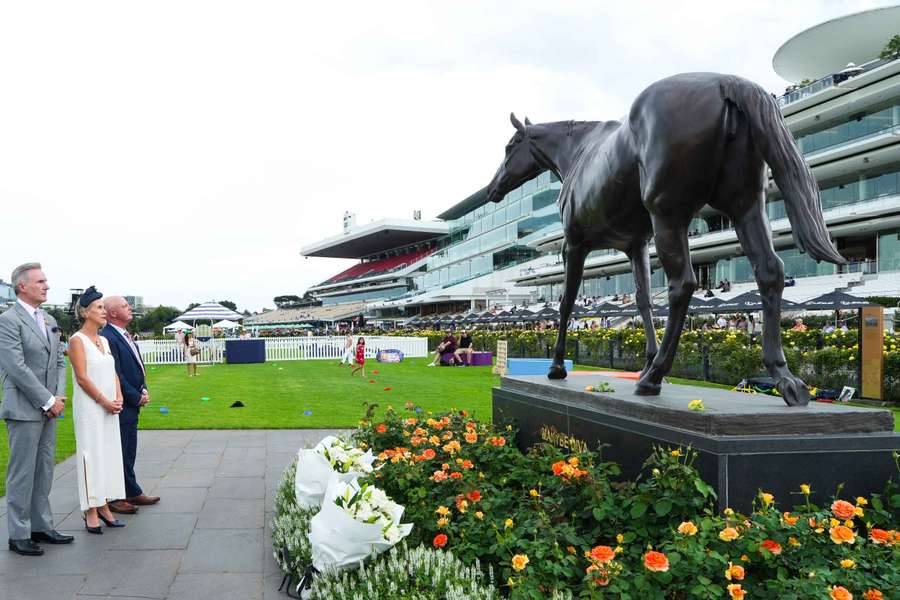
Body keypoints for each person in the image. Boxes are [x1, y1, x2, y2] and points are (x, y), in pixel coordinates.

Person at [0, 263, 73, 556]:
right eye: (41, 281)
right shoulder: (8, 320)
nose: (46, 285)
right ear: (22, 287)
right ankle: (18, 534)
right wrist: (47, 400)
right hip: (24, 408)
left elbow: (58, 361)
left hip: (50, 407)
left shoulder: (49, 318)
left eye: (46, 281)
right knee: (22, 472)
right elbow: (15, 367)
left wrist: (59, 397)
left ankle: (41, 526)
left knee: (43, 469)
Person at [68, 287, 127, 533]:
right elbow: (82, 378)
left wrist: (119, 396)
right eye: (99, 308)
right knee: (90, 457)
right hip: (90, 408)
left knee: (108, 454)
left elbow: (112, 371)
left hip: (109, 407)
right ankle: (90, 510)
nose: (104, 312)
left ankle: (104, 505)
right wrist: (103, 400)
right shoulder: (76, 340)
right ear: (85, 312)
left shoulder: (103, 340)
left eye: (104, 307)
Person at [101, 295, 159, 513]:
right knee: (120, 450)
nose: (130, 309)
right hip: (122, 402)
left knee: (129, 449)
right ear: (113, 312)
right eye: (125, 306)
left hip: (132, 400)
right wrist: (134, 395)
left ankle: (131, 490)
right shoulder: (108, 337)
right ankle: (115, 496)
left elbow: (135, 366)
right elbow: (116, 373)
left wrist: (142, 388)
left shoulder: (123, 335)